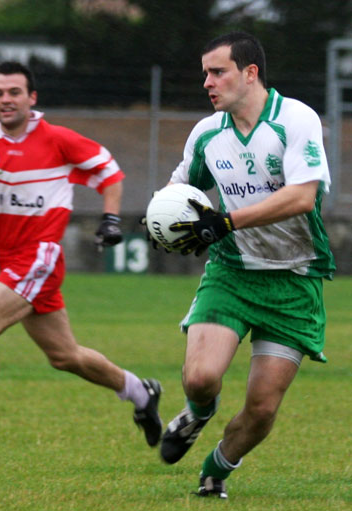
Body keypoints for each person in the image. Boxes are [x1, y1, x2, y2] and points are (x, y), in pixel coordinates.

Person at [0, 61, 162, 455]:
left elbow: (110, 171)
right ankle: (141, 392)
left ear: (31, 98)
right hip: (13, 261)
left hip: (40, 256)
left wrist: (111, 218)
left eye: (14, 92)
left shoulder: (57, 138)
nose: (5, 100)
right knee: (64, 356)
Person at [154, 32, 335, 499]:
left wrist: (226, 220)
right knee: (200, 377)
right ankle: (197, 411)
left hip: (295, 282)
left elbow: (302, 196)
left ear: (249, 73)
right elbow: (178, 193)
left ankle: (217, 468)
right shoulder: (208, 132)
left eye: (218, 72)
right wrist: (162, 223)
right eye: (205, 74)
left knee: (261, 411)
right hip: (232, 274)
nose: (208, 83)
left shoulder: (295, 119)